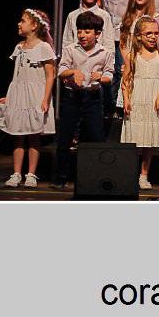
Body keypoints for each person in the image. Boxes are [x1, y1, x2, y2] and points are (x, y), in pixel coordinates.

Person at [0, 8, 56, 188]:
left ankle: (31, 174)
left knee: (33, 136)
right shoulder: (19, 47)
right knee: (17, 135)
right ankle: (16, 173)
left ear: (34, 25)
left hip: (35, 95)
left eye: (23, 21)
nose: (19, 23)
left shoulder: (43, 47)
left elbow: (50, 75)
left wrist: (45, 99)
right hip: (19, 95)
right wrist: (10, 97)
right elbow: (17, 76)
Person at [52, 11, 113, 188]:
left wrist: (100, 77)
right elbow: (61, 70)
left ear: (97, 34)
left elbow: (110, 75)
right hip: (72, 97)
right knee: (64, 139)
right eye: (79, 31)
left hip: (92, 98)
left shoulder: (105, 52)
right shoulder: (71, 49)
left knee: (96, 138)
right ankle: (61, 178)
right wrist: (73, 72)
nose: (82, 35)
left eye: (87, 31)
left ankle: (97, 178)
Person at [121, 16, 159, 189]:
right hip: (137, 99)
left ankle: (144, 175)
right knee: (134, 138)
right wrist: (126, 98)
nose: (153, 36)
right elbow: (126, 80)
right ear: (139, 36)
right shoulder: (132, 56)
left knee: (149, 141)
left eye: (156, 33)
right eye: (149, 33)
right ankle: (129, 173)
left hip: (153, 101)